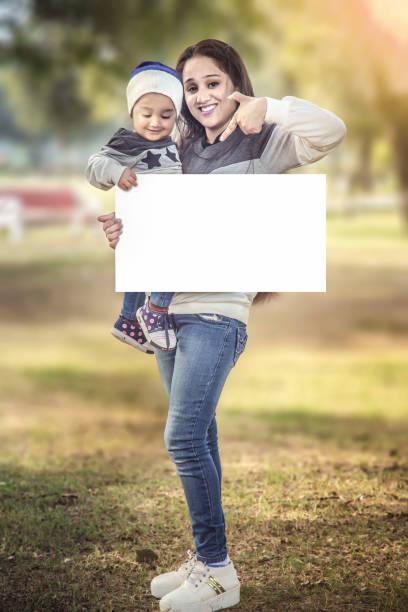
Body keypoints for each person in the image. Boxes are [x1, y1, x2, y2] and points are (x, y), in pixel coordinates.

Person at [98, 39, 346, 612]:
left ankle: (218, 572)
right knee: (199, 434)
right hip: (167, 312)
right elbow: (155, 220)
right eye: (192, 87)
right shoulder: (177, 148)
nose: (203, 95)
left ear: (233, 82)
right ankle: (204, 557)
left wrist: (272, 106)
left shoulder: (263, 142)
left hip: (216, 313)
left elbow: (331, 129)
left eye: (214, 82)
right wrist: (122, 232)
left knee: (182, 437)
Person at [86, 61, 184, 352]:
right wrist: (116, 172)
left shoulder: (171, 142)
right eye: (146, 114)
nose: (155, 122)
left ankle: (129, 320)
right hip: (147, 219)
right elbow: (94, 166)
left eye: (166, 115)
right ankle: (156, 309)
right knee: (174, 261)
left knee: (142, 271)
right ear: (132, 113)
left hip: (158, 216)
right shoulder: (127, 142)